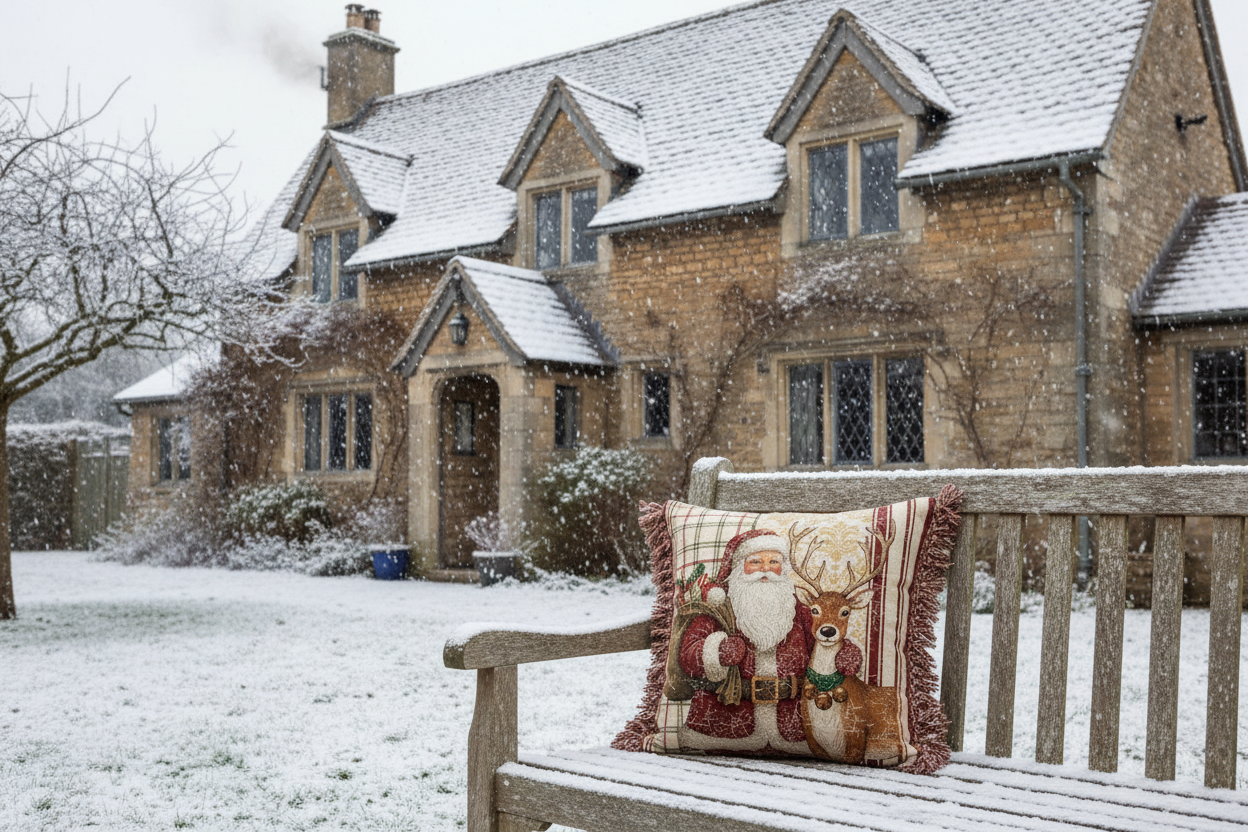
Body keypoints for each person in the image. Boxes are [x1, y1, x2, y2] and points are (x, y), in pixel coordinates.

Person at [676, 529, 813, 754]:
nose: (765, 569)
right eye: (756, 561)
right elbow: (688, 654)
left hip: (793, 728)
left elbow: (822, 644)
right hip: (723, 726)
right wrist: (718, 651)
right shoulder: (719, 606)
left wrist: (839, 652)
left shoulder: (798, 609)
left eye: (774, 561)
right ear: (740, 567)